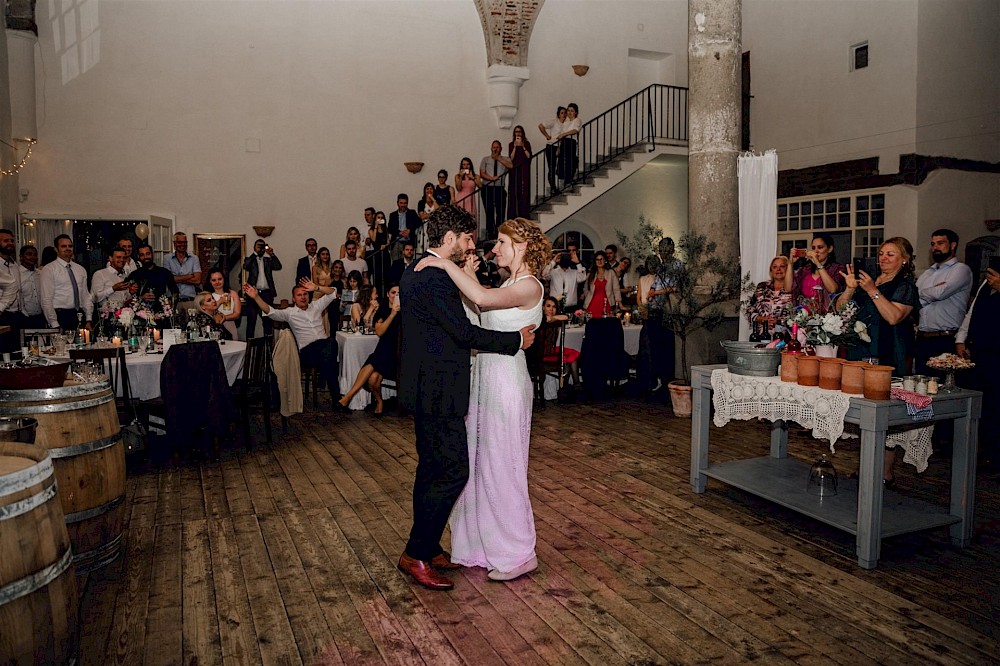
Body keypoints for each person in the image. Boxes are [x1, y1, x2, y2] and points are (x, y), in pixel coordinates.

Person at [397, 204, 534, 591]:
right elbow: (464, 334)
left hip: (429, 387)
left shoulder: (419, 270)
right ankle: (417, 552)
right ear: (450, 239)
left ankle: (426, 546)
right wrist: (516, 341)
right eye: (468, 237)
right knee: (452, 470)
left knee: (433, 469)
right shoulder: (434, 278)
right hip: (438, 390)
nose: (473, 244)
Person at [246, 279, 340, 407]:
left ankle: (334, 396)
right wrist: (256, 297)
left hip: (324, 351)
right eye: (299, 295)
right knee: (330, 346)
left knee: (330, 351)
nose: (303, 297)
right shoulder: (290, 313)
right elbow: (271, 312)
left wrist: (317, 287)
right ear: (294, 299)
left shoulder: (316, 306)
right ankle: (331, 390)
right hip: (307, 353)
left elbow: (333, 292)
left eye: (305, 294)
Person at [837, 237, 920, 375]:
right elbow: (840, 310)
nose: (883, 258)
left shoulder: (905, 286)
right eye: (881, 254)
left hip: (887, 346)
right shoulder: (869, 280)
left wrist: (872, 290)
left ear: (904, 259)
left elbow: (893, 317)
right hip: (859, 345)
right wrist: (850, 289)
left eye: (890, 254)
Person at [955, 257, 1000, 472]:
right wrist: (961, 338)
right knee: (985, 404)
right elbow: (972, 312)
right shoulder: (986, 282)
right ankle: (984, 452)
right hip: (980, 354)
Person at [335, 283, 402, 415]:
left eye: (399, 293)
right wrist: (392, 314)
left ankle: (347, 398)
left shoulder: (405, 312)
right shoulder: (383, 310)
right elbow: (380, 332)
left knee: (375, 360)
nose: (396, 296)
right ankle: (379, 401)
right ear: (388, 294)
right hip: (384, 353)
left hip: (398, 355)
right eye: (393, 292)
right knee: (373, 378)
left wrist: (397, 312)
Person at [914, 228, 972, 374]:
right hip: (922, 339)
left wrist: (927, 293)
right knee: (921, 388)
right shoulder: (927, 273)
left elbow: (940, 293)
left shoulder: (961, 270)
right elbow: (913, 298)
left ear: (953, 245)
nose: (935, 248)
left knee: (945, 389)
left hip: (946, 338)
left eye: (940, 243)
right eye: (933, 244)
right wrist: (931, 292)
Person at [40, 234, 94, 332]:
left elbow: (85, 295)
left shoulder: (80, 269)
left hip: (79, 314)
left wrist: (89, 319)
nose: (67, 248)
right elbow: (46, 299)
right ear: (56, 249)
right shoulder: (49, 269)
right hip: (60, 315)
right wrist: (54, 324)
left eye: (70, 246)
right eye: (63, 246)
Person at [784, 233, 845, 310]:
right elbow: (788, 289)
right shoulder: (805, 269)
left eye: (820, 247)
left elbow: (833, 289)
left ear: (830, 249)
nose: (816, 251)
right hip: (804, 315)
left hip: (828, 316)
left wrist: (817, 263)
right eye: (813, 248)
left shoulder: (837, 268)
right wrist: (790, 263)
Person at [242, 238, 282, 338]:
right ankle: (249, 348)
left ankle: (268, 348)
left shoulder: (268, 260)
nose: (261, 248)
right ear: (254, 247)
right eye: (258, 246)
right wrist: (255, 253)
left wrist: (271, 253)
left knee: (267, 322)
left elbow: (278, 266)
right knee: (251, 322)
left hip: (266, 294)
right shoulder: (250, 259)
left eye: (262, 246)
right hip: (253, 294)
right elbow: (245, 266)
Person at [745, 256, 794, 335]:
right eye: (775, 267)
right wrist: (761, 319)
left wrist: (778, 321)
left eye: (782, 266)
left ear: (788, 269)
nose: (778, 269)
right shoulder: (762, 287)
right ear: (771, 270)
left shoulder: (794, 289)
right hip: (762, 334)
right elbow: (749, 309)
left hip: (785, 336)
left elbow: (799, 315)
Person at [541, 296, 581, 386]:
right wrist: (552, 318)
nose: (551, 309)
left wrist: (553, 318)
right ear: (543, 307)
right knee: (567, 358)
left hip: (551, 349)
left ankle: (574, 384)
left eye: (554, 307)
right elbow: (548, 319)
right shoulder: (540, 318)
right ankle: (572, 385)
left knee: (573, 353)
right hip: (541, 352)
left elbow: (566, 317)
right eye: (548, 306)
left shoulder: (554, 318)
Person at [479, 139, 511, 240]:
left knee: (500, 211)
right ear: (491, 148)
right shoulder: (485, 159)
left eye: (497, 147)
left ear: (500, 149)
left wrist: (498, 158)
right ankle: (490, 231)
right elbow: (482, 173)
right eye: (494, 147)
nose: (495, 149)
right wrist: (491, 178)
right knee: (489, 211)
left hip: (499, 188)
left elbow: (511, 166)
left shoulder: (506, 159)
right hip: (487, 188)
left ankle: (499, 231)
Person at [163, 232, 202, 307]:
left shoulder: (194, 258)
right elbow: (167, 279)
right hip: (172, 301)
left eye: (185, 242)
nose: (182, 245)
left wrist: (176, 278)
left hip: (190, 301)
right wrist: (190, 276)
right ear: (174, 244)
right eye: (180, 242)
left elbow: (197, 280)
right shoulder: (167, 258)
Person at [203, 268, 241, 340]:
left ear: (224, 279)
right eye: (214, 280)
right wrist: (220, 301)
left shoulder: (233, 293)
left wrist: (224, 318)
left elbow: (237, 314)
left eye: (219, 279)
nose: (217, 282)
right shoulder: (207, 295)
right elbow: (207, 311)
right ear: (210, 281)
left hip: (230, 325)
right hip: (213, 327)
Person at [583, 253, 622, 318]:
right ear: (595, 262)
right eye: (597, 259)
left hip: (606, 304)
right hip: (592, 304)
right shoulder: (591, 274)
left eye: (601, 259)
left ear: (605, 260)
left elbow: (616, 289)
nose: (599, 261)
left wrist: (620, 304)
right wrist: (588, 298)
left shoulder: (611, 273)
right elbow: (586, 289)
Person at [538, 106, 567, 193]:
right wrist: (547, 136)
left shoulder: (566, 124)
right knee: (552, 167)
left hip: (560, 147)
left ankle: (562, 183)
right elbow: (541, 126)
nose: (564, 115)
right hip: (551, 146)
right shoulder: (554, 122)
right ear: (558, 114)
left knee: (561, 165)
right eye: (562, 113)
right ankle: (553, 187)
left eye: (565, 113)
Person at [0, 229, 21, 350]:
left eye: (12, 241)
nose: (10, 243)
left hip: (15, 315)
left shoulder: (14, 265)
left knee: (15, 351)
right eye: (5, 241)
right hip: (3, 315)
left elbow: (15, 287)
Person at [18, 245, 47, 329]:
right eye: (29, 254)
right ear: (21, 257)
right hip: (24, 318)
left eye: (35, 254)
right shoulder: (17, 274)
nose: (33, 257)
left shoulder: (40, 273)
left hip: (41, 318)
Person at [507, 125, 533, 218]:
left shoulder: (527, 143)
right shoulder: (511, 144)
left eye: (519, 131)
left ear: (522, 133)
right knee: (514, 191)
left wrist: (523, 146)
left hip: (524, 170)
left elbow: (529, 156)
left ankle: (524, 213)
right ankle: (513, 214)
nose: (518, 133)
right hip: (514, 170)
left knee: (524, 191)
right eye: (516, 131)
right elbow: (511, 158)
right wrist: (514, 147)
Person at [388, 194, 421, 262]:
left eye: (405, 203)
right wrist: (400, 233)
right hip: (397, 242)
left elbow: (419, 222)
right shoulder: (393, 215)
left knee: (408, 263)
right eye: (401, 203)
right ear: (397, 203)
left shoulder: (412, 213)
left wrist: (410, 230)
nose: (403, 205)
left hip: (408, 242)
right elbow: (390, 228)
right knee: (396, 263)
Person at [557, 102, 581, 184]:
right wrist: (559, 148)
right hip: (564, 142)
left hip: (571, 142)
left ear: (575, 112)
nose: (569, 112)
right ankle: (563, 179)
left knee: (570, 161)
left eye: (572, 111)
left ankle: (569, 179)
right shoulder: (566, 123)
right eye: (568, 110)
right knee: (562, 161)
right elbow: (561, 136)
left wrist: (563, 134)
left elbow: (575, 130)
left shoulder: (577, 120)